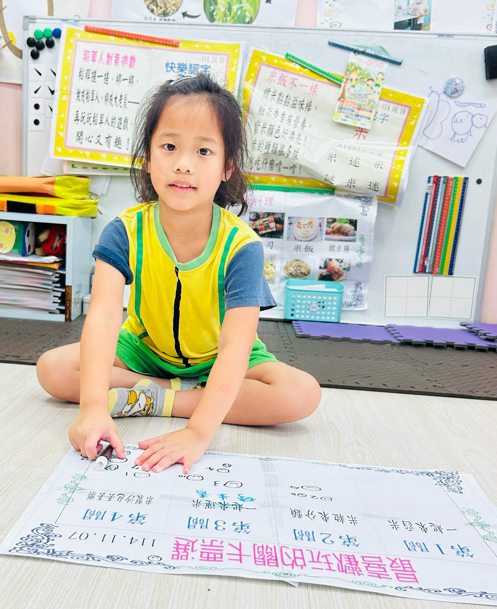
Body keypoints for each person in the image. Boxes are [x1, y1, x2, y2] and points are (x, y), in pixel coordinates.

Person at [36, 73, 322, 474]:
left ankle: (161, 398)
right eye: (169, 147)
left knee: (301, 393)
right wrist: (93, 408)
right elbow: (103, 316)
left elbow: (236, 346)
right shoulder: (124, 230)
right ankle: (176, 392)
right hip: (144, 351)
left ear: (226, 167)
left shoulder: (242, 246)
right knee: (53, 369)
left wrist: (198, 431)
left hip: (218, 359)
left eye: (204, 151)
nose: (183, 164)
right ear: (148, 158)